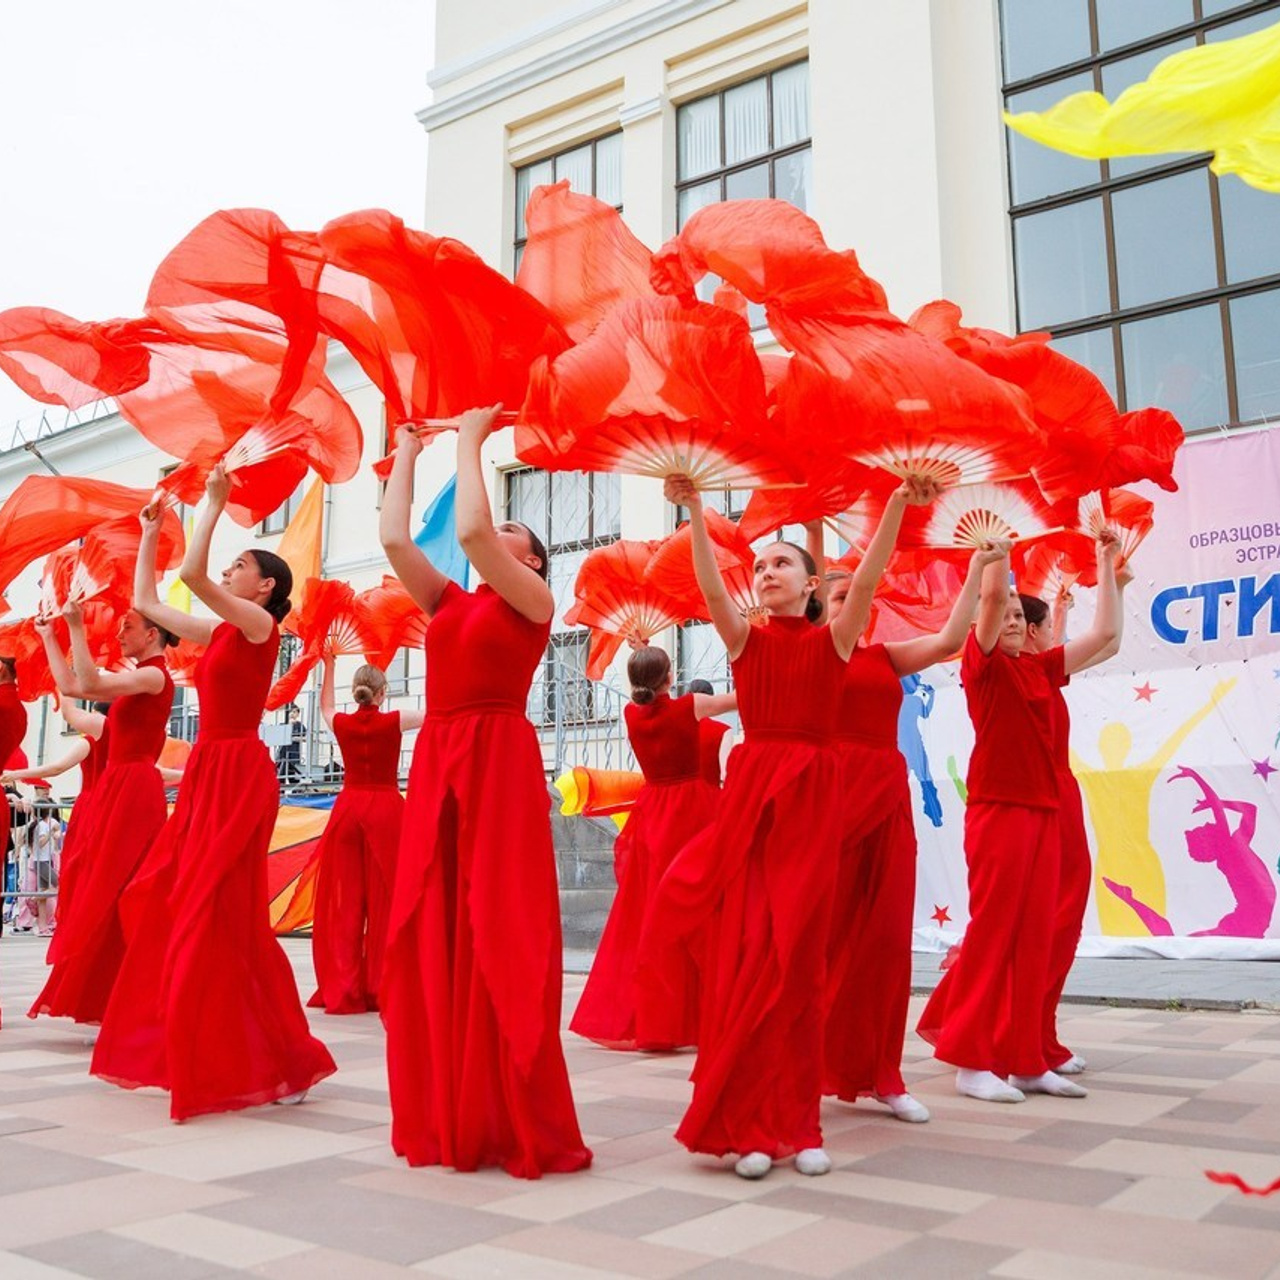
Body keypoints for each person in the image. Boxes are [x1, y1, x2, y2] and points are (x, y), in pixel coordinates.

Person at [641, 474, 929, 1181]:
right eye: (761, 564)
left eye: (781, 564)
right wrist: (696, 511)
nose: (766, 572)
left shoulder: (834, 643)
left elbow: (863, 581)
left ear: (808, 586)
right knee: (751, 960)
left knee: (799, 965)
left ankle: (799, 1123)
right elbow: (714, 594)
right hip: (754, 810)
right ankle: (747, 1124)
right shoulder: (746, 641)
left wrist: (895, 503)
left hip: (811, 808)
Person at [378, 405, 590, 1178]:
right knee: (435, 919)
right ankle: (455, 1104)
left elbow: (470, 531)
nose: (493, 534)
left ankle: (512, 1107)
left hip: (497, 756)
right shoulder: (449, 604)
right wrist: (406, 451)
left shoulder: (532, 607)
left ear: (532, 562)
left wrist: (471, 441)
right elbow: (397, 539)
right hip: (439, 753)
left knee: (499, 922)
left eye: (514, 535)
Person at [92, 467, 336, 1120]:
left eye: (240, 565)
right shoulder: (223, 632)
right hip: (208, 772)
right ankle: (260, 1048)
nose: (227, 573)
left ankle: (278, 1053)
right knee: (172, 897)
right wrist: (149, 535)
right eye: (231, 565)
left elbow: (194, 578)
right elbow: (152, 599)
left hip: (239, 772)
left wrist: (214, 505)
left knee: (219, 909)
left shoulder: (258, 625)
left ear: (266, 586)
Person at [916, 532, 1121, 1104]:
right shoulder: (982, 669)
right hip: (999, 812)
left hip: (1043, 812)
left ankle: (1027, 1058)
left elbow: (1105, 636)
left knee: (1035, 935)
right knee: (996, 932)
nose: (1008, 620)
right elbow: (985, 604)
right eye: (1001, 611)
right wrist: (996, 547)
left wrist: (1107, 565)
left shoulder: (1041, 670)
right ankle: (971, 1059)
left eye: (1015, 615)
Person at [818, 538, 1006, 1125]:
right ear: (820, 606)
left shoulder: (887, 657)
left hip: (886, 796)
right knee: (818, 940)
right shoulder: (810, 652)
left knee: (884, 940)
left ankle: (882, 1075)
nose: (858, 600)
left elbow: (951, 641)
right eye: (843, 594)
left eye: (861, 593)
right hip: (827, 799)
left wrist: (976, 568)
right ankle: (801, 1068)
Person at [571, 646, 735, 1051]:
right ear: (670, 677)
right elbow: (741, 695)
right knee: (699, 912)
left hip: (652, 814)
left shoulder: (631, 714)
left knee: (645, 915)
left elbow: (645, 693)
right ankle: (701, 1014)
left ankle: (650, 1016)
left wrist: (640, 650)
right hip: (692, 812)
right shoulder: (691, 707)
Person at [27, 602, 177, 1025]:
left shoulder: (154, 675)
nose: (120, 634)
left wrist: (74, 625)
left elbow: (89, 682)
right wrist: (49, 637)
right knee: (103, 888)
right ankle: (108, 993)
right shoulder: (137, 682)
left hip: (134, 791)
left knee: (121, 886)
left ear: (152, 635)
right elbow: (75, 692)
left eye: (128, 627)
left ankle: (134, 993)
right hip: (119, 789)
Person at [1023, 565, 1128, 1075]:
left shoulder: (1040, 672)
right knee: (1041, 923)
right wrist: (1108, 570)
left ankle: (1039, 1035)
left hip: (1058, 799)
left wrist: (1117, 585)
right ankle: (1021, 1039)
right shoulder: (1009, 671)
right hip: (1032, 805)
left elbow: (1105, 644)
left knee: (1060, 923)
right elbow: (1103, 638)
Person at [279, 655, 423, 1013]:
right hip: (387, 811)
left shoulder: (342, 723)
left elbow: (325, 706)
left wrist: (328, 666)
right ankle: (382, 983)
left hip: (348, 811)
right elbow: (436, 714)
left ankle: (343, 986)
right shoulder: (395, 720)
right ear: (383, 693)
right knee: (386, 900)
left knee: (343, 903)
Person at [686, 677, 733, 787]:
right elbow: (725, 774)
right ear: (712, 701)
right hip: (711, 798)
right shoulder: (724, 731)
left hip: (680, 799)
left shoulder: (674, 728)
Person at [277, 705, 307, 785]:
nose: (292, 714)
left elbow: (306, 738)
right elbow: (278, 736)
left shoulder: (300, 726)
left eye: (294, 712)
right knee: (280, 777)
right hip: (283, 755)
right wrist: (289, 725)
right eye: (291, 712)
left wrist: (295, 738)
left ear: (298, 714)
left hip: (294, 755)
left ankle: (295, 793)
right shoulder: (283, 724)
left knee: (294, 778)